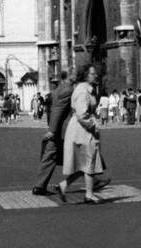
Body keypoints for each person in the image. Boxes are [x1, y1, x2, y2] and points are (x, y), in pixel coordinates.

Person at [60, 64, 108, 203]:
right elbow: (82, 114)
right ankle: (89, 194)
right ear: (86, 75)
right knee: (89, 159)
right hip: (83, 129)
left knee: (85, 163)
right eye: (93, 74)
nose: (96, 75)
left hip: (80, 128)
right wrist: (94, 126)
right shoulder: (82, 91)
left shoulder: (85, 89)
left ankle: (64, 185)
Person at [32, 70, 74, 196]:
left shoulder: (58, 90)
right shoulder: (67, 90)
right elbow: (57, 111)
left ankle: (40, 185)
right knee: (83, 153)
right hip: (62, 130)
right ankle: (94, 180)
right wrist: (52, 131)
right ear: (67, 77)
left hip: (58, 130)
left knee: (50, 156)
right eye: (73, 74)